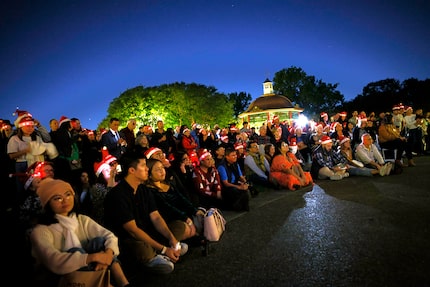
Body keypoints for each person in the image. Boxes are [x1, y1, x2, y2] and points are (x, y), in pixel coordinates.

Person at [30, 178, 132, 287]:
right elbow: (53, 260)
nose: (65, 200)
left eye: (68, 195)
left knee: (100, 242)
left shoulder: (81, 219)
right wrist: (93, 257)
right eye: (57, 198)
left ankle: (123, 283)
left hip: (93, 269)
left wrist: (107, 255)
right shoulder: (40, 230)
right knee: (75, 251)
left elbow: (109, 236)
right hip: (58, 279)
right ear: (47, 203)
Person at [103, 151, 186, 275]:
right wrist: (164, 249)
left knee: (179, 226)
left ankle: (165, 251)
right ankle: (156, 257)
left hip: (147, 233)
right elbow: (132, 230)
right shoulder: (118, 195)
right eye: (143, 165)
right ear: (132, 170)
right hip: (129, 240)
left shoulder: (144, 190)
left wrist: (172, 239)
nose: (147, 169)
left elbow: (156, 217)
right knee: (140, 247)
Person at [145, 158, 204, 241]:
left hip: (181, 214)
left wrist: (194, 210)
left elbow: (181, 198)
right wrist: (185, 218)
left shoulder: (167, 184)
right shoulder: (150, 191)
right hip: (169, 220)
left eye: (162, 167)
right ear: (149, 174)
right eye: (158, 169)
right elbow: (167, 208)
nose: (162, 171)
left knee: (200, 214)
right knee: (185, 228)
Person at [217, 147, 251, 211]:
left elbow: (241, 177)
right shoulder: (222, 166)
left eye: (235, 155)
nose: (235, 157)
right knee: (236, 191)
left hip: (236, 183)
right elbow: (226, 183)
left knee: (246, 190)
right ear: (227, 157)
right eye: (233, 155)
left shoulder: (236, 164)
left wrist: (245, 183)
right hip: (227, 187)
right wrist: (239, 187)